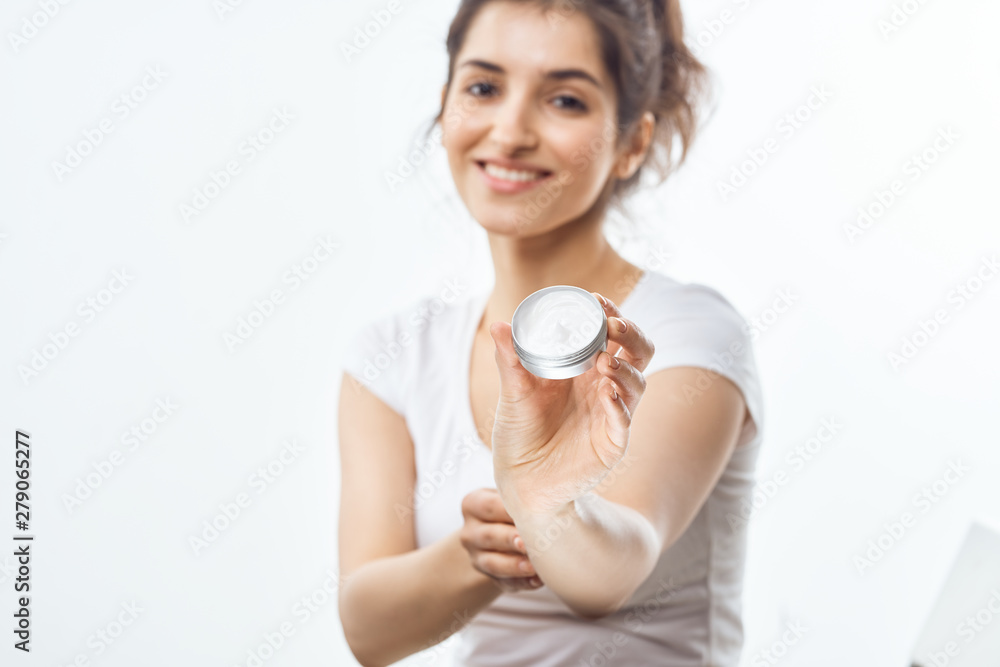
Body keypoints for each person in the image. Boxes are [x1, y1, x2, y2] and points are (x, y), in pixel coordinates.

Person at [337, 0, 765, 665]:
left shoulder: (688, 334)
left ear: (632, 144)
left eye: (564, 100)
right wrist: (475, 550)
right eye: (483, 87)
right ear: (445, 106)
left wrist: (547, 505)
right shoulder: (394, 356)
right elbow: (369, 628)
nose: (509, 132)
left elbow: (608, 575)